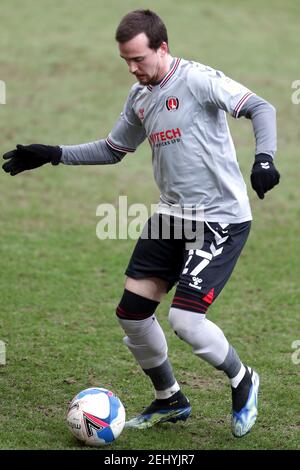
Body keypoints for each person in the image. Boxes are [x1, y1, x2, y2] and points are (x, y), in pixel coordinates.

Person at [2, 9, 280, 437]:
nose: (133, 69)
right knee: (133, 315)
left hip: (219, 218)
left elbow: (261, 108)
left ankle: (243, 378)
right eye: (125, 61)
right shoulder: (140, 97)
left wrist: (264, 158)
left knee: (186, 322)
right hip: (172, 215)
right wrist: (53, 153)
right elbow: (114, 149)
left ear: (162, 48)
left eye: (138, 59)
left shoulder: (199, 80)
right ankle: (171, 399)